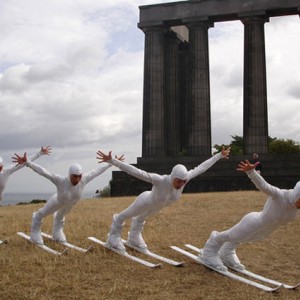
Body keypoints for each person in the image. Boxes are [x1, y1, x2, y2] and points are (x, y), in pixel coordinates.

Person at [96, 147, 231, 252]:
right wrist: (113, 161)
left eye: (184, 181)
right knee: (125, 215)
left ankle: (134, 237)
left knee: (141, 219)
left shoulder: (185, 178)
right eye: (179, 181)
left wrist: (219, 155)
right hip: (145, 201)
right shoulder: (160, 180)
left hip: (157, 206)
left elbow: (201, 167)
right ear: (173, 177)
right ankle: (113, 237)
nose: (182, 184)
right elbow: (136, 172)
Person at [200, 159, 300, 271]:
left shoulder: (294, 205)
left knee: (241, 238)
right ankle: (210, 249)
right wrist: (251, 172)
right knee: (231, 235)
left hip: (265, 229)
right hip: (254, 222)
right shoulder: (280, 195)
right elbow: (264, 186)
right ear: (297, 194)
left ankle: (226, 253)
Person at [12, 151, 124, 245]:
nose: (78, 179)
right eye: (75, 176)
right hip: (57, 201)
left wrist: (111, 162)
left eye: (79, 176)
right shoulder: (60, 180)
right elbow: (44, 172)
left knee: (60, 217)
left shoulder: (84, 180)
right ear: (70, 174)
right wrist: (28, 162)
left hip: (69, 204)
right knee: (42, 213)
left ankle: (57, 232)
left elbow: (96, 171)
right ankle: (35, 229)